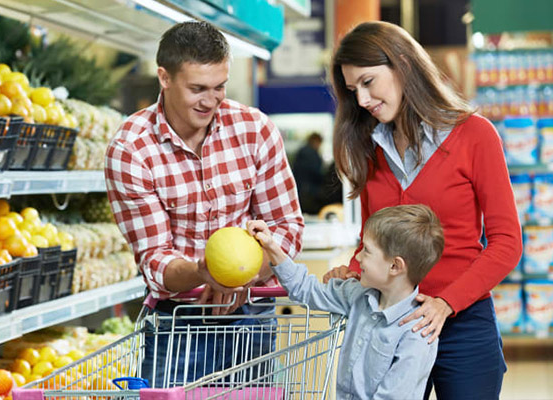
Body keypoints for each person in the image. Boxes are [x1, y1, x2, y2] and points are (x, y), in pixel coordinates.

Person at [323, 21, 523, 399]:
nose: (362, 100)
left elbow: (507, 243)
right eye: (353, 90)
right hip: (389, 323)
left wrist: (447, 303)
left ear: (403, 65)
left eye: (368, 82)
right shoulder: (371, 148)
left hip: (463, 324)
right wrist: (353, 269)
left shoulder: (474, 136)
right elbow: (373, 239)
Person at [104, 21, 304, 386]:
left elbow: (287, 226)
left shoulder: (254, 129)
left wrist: (244, 274)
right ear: (164, 77)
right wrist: (203, 272)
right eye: (197, 89)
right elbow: (155, 258)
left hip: (252, 317)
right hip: (180, 323)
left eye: (219, 87)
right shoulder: (131, 149)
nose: (211, 101)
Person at [248, 204, 445, 399]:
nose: (357, 257)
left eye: (366, 250)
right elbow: (306, 289)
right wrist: (272, 246)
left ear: (395, 266)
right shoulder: (357, 295)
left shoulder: (417, 334)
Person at [292, 132, 324, 214]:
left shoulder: (302, 151)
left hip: (301, 189)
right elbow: (316, 172)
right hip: (310, 191)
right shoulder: (311, 154)